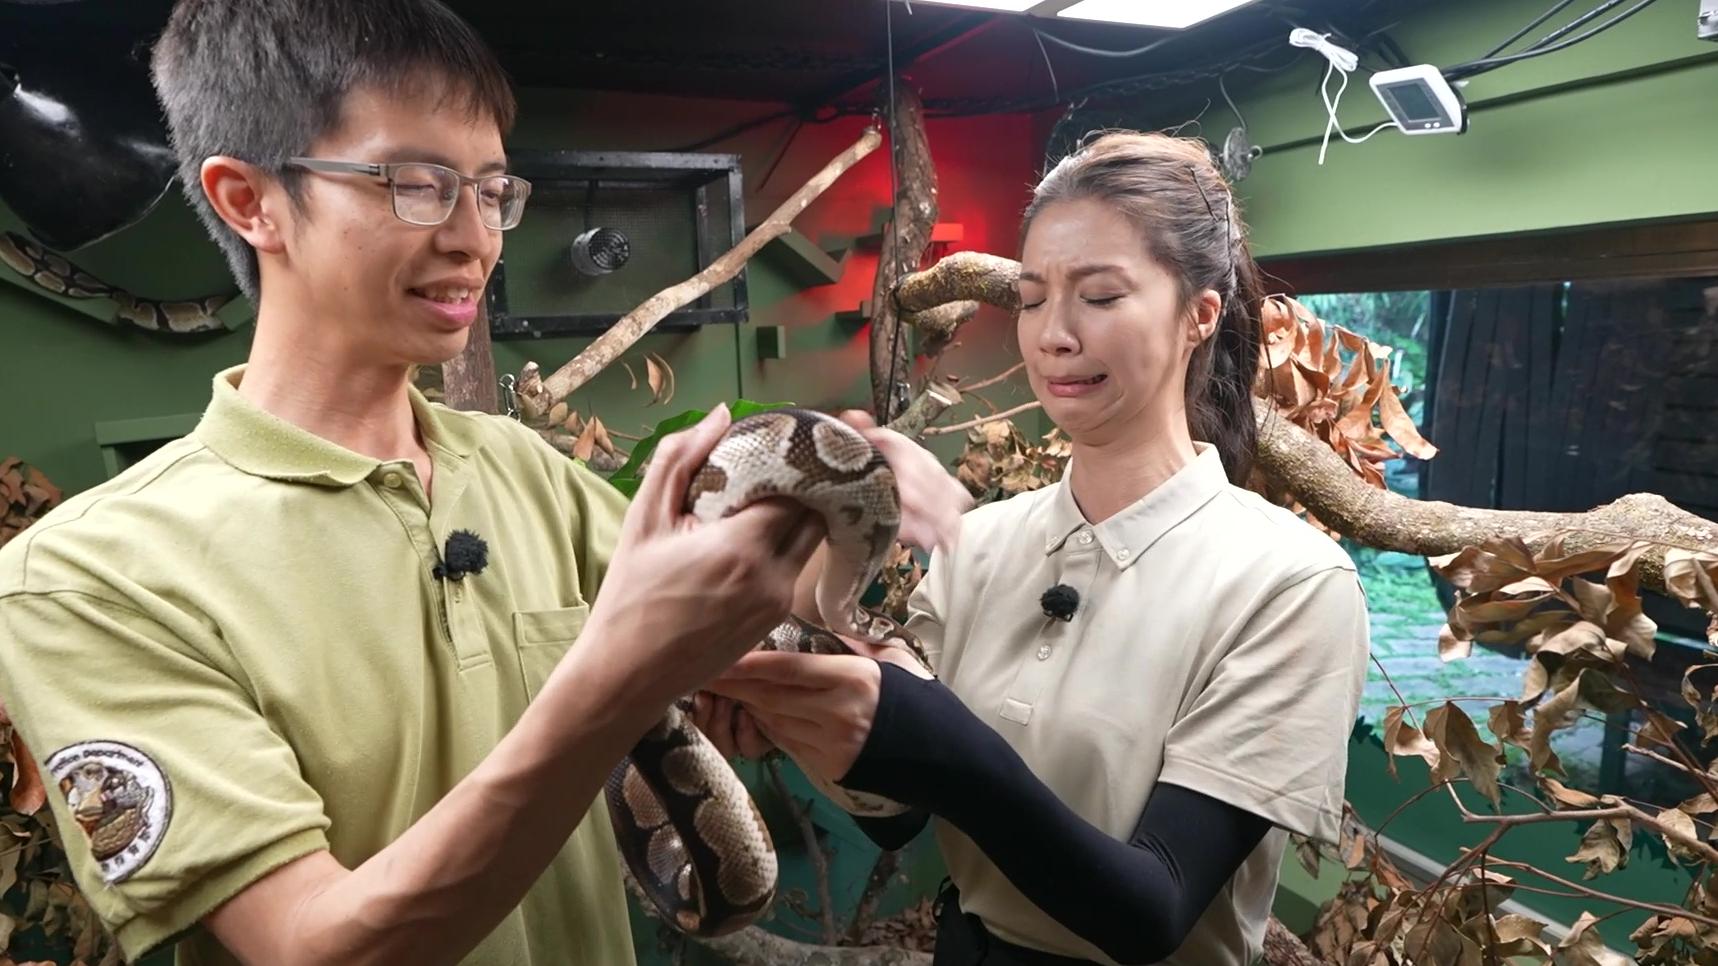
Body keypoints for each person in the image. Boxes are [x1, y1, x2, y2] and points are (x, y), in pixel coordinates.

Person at [0, 1, 969, 964]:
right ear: (248, 200)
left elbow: (762, 644)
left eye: (495, 191)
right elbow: (309, 948)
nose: (475, 237)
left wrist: (828, 556)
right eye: (416, 185)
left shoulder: (526, 473)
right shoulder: (86, 579)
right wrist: (618, 677)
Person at [698, 131, 1372, 966]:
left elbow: (1150, 909)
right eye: (1031, 296)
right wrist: (800, 695)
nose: (1053, 334)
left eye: (1100, 296)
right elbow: (902, 811)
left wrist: (932, 733)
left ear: (1199, 314)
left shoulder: (1291, 582)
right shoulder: (979, 542)